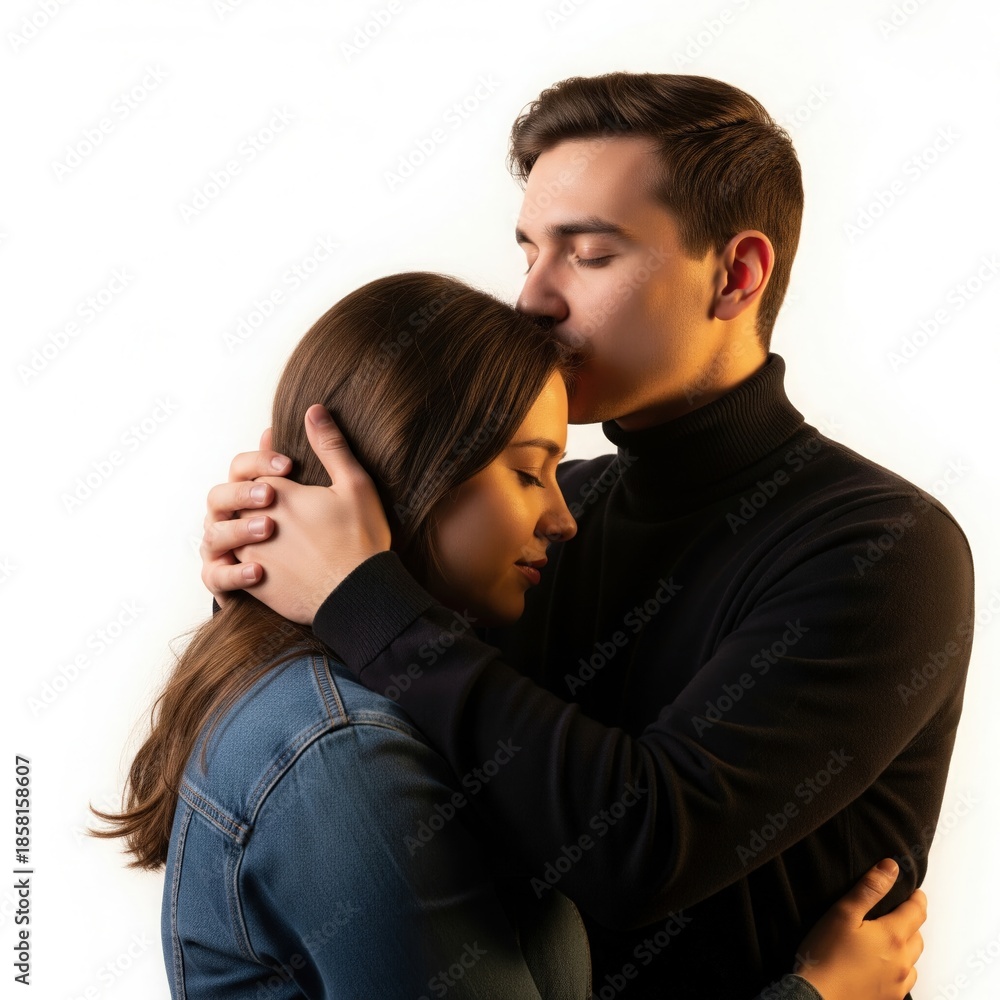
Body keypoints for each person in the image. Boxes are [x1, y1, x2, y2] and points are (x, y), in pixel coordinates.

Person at [200, 73, 972, 998]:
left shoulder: (885, 547)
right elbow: (373, 731)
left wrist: (357, 594)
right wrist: (266, 559)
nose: (532, 297)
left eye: (590, 255)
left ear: (737, 275)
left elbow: (641, 850)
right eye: (529, 251)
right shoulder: (546, 514)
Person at [98, 272, 919, 1000]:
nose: (563, 516)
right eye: (528, 471)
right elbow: (640, 844)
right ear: (405, 466)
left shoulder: (352, 700)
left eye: (591, 251)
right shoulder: (344, 754)